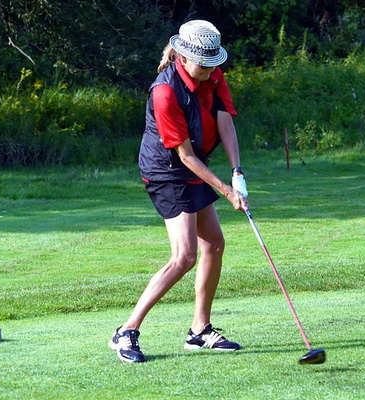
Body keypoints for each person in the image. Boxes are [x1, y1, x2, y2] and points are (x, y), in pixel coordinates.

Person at [109, 20, 249, 363]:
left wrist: (236, 172)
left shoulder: (212, 74)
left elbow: (225, 121)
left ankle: (199, 331)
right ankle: (126, 331)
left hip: (194, 163)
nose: (210, 69)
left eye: (214, 63)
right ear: (184, 57)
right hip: (166, 171)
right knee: (184, 256)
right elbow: (183, 155)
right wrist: (227, 193)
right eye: (204, 63)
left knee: (214, 244)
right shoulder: (165, 91)